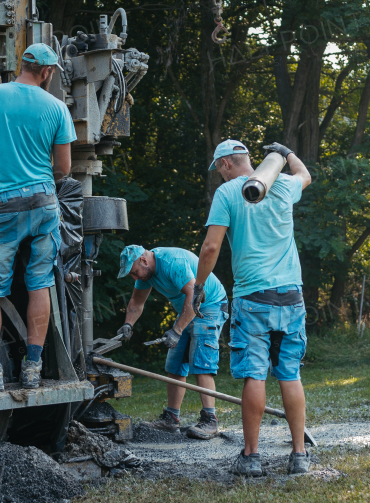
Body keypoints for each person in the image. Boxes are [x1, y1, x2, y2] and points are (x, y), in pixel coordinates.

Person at [0, 43, 75, 392]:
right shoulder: (57, 108)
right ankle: (32, 371)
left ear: (21, 65)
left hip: (3, 206)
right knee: (40, 283)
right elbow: (64, 168)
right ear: (47, 71)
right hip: (44, 204)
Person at [193, 139, 312, 476]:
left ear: (225, 164)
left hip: (251, 297)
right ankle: (299, 456)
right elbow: (305, 174)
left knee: (255, 374)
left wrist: (199, 287)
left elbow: (210, 247)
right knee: (289, 373)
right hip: (291, 294)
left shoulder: (229, 193)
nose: (218, 175)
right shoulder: (285, 184)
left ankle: (251, 457)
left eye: (218, 169)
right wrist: (287, 152)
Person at [117, 245, 229, 439]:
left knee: (201, 362)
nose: (135, 278)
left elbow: (195, 296)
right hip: (188, 308)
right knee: (174, 363)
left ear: (143, 260)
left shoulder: (171, 263)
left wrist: (177, 331)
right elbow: (137, 302)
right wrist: (128, 324)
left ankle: (210, 420)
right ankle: (171, 419)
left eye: (134, 272)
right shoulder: (146, 274)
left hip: (210, 305)